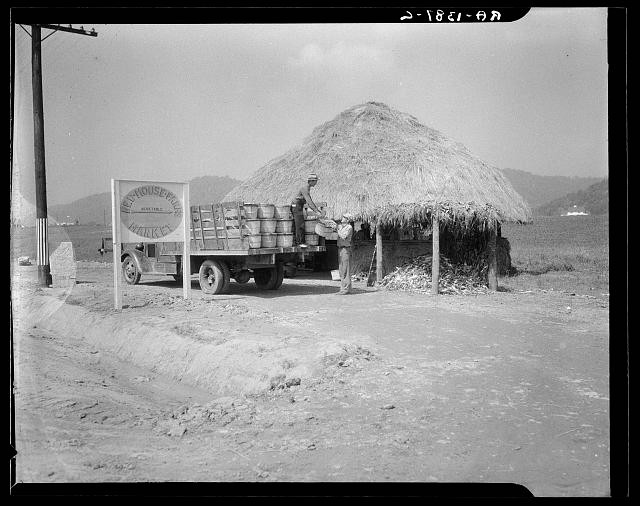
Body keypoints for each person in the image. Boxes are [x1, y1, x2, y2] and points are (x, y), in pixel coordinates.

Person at [291, 173, 324, 247]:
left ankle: (299, 242)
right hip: (296, 206)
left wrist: (316, 210)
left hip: (299, 206)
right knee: (300, 224)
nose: (316, 183)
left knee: (300, 223)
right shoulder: (305, 188)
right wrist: (316, 211)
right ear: (312, 181)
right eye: (316, 181)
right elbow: (309, 201)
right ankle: (299, 243)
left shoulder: (307, 188)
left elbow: (309, 200)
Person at [336, 213, 354, 294]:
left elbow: (343, 236)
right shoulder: (340, 227)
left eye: (344, 217)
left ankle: (345, 289)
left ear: (347, 219)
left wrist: (337, 230)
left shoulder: (349, 227)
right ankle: (345, 288)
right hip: (340, 248)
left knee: (345, 269)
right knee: (341, 269)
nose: (342, 218)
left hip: (345, 249)